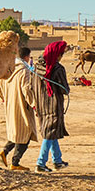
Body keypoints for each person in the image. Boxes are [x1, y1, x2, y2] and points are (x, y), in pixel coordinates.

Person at [0, 46, 37, 171]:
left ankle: (4, 152)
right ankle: (15, 162)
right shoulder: (23, 70)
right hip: (21, 106)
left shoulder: (8, 69)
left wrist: (3, 98)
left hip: (10, 105)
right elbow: (26, 88)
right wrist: (33, 103)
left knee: (17, 132)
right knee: (25, 133)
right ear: (26, 57)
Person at [35, 41, 70, 172]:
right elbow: (64, 89)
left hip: (40, 105)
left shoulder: (37, 67)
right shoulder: (58, 69)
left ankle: (57, 161)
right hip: (53, 105)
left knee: (51, 132)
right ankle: (40, 163)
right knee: (49, 134)